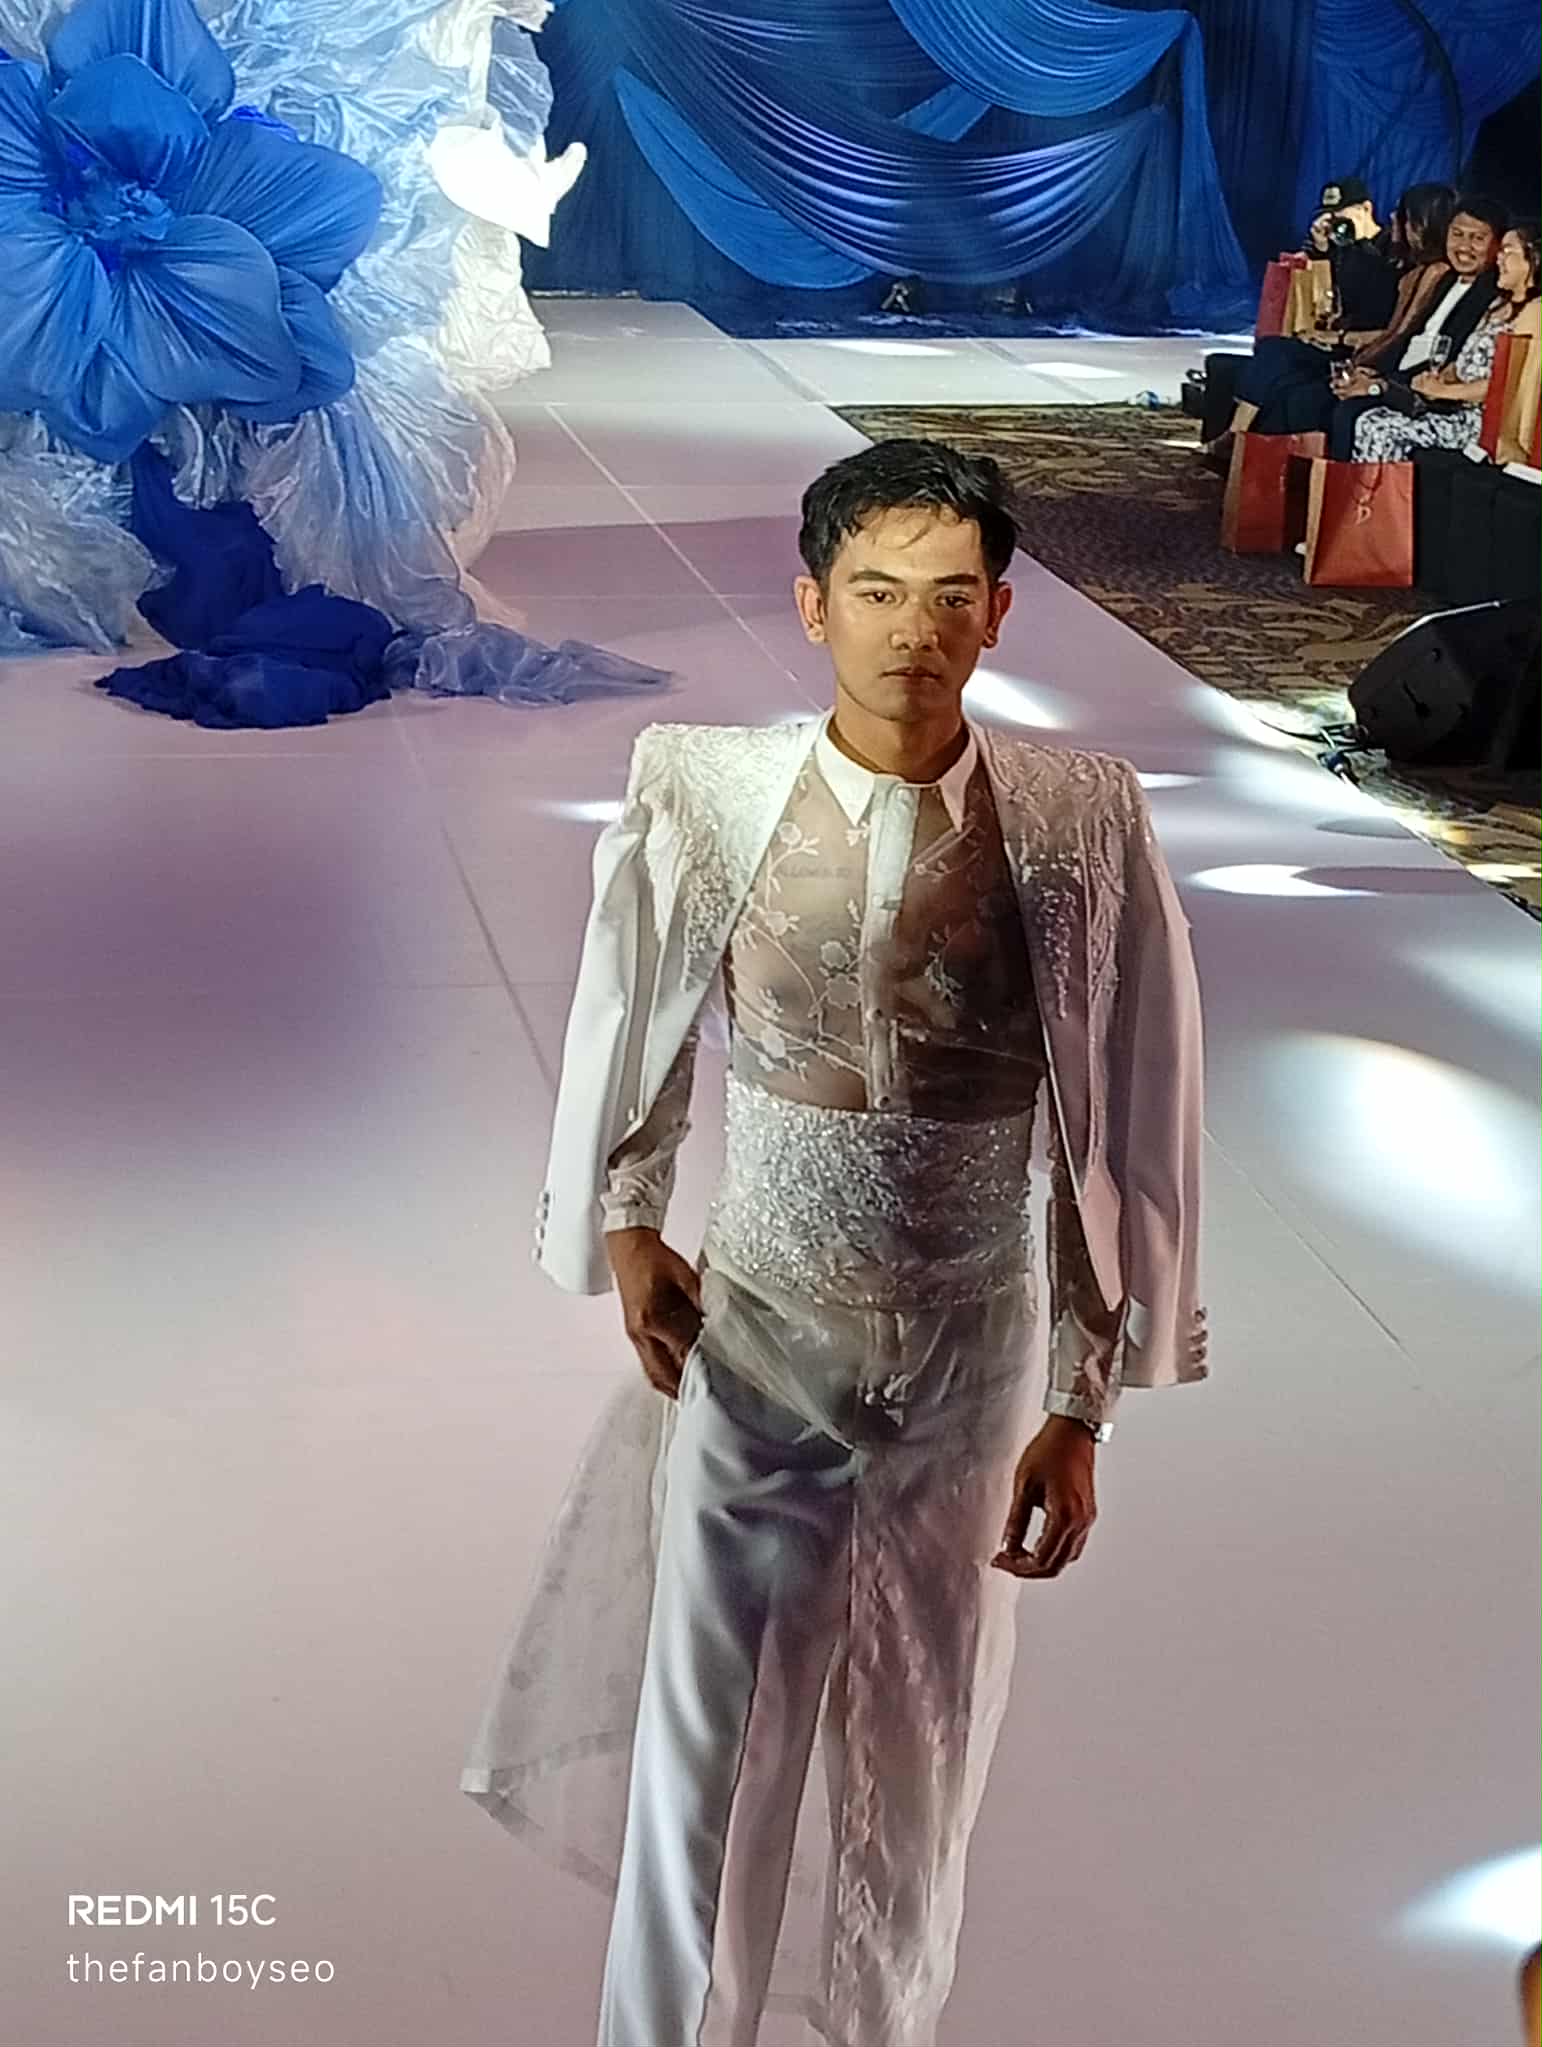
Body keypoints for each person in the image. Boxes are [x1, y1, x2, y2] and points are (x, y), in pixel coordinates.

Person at [460, 439, 1209, 2046]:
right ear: (811, 605)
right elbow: (638, 1003)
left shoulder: (1076, 818)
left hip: (971, 1351)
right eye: (875, 591)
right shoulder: (707, 787)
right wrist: (628, 1216)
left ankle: (880, 2026)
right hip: (757, 1334)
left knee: (919, 1744)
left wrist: (1082, 1399)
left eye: (949, 595)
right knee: (704, 1747)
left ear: (998, 611)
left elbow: (1122, 1109)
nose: (910, 630)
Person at [1200, 181, 1450, 451]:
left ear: (1366, 209)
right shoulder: (1346, 251)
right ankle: (1238, 439)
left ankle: (1242, 443)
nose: (1337, 222)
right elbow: (1331, 293)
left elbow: (1398, 330)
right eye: (1330, 216)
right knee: (1272, 352)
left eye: (1342, 214)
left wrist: (1349, 346)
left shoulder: (1393, 254)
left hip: (1363, 350)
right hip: (1349, 345)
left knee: (1290, 381)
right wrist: (1322, 249)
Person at [1351, 221, 1541, 460]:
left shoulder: (1535, 313)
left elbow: (1508, 385)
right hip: (1456, 405)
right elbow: (1467, 361)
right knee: (1367, 418)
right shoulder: (1498, 305)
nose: (1499, 258)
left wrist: (1444, 391)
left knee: (1380, 429)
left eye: (1508, 251)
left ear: (1533, 259)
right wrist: (1443, 378)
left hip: (1483, 421)